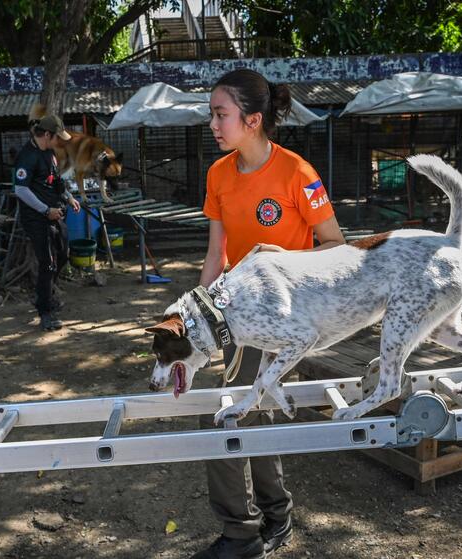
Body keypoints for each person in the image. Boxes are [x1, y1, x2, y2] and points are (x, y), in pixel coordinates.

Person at [192, 69, 346, 559]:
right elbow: (216, 255)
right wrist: (195, 316)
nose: (213, 124)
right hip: (235, 315)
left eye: (221, 115)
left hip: (287, 320)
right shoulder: (218, 175)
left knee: (223, 415)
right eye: (212, 114)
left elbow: (337, 247)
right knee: (250, 413)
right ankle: (275, 514)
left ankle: (242, 533)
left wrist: (278, 268)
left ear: (253, 120)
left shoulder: (297, 174)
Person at [14, 113, 81, 331]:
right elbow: (21, 189)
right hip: (37, 218)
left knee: (63, 255)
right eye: (57, 137)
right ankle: (45, 312)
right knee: (48, 263)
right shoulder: (27, 156)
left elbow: (56, 180)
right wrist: (45, 210)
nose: (60, 141)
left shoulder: (49, 154)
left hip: (55, 214)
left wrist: (69, 198)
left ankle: (46, 295)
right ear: (47, 134)